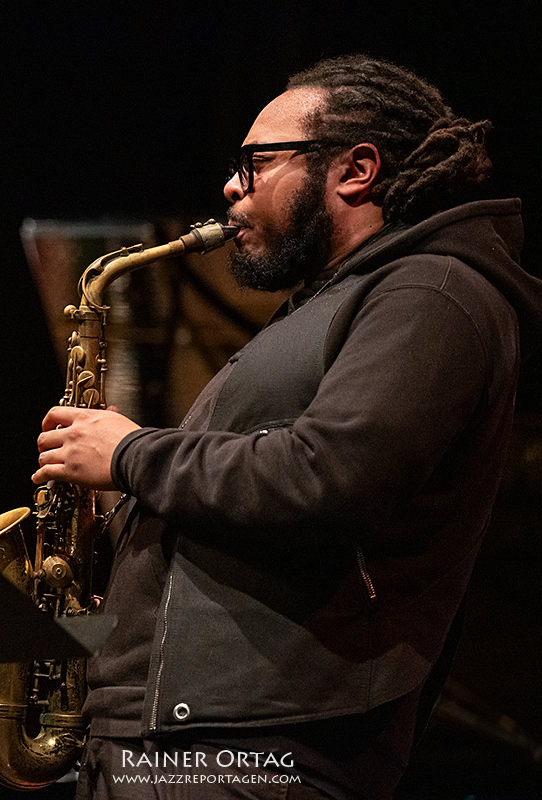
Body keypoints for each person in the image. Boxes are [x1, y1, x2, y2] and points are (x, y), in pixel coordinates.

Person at [32, 55, 542, 799]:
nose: (231, 187)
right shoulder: (334, 302)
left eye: (256, 163)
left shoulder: (431, 290)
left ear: (355, 170)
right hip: (178, 734)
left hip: (251, 742)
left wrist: (133, 452)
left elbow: (327, 477)